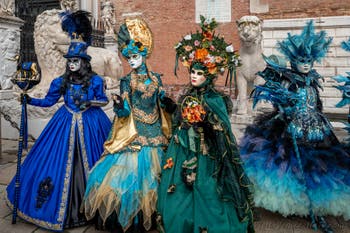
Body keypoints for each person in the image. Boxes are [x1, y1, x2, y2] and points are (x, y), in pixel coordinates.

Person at [239, 21, 350, 233]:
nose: (306, 64)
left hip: (317, 130)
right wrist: (285, 111)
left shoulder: (314, 80)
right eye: (301, 60)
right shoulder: (288, 80)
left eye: (309, 60)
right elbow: (279, 101)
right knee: (296, 169)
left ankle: (317, 210)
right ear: (293, 61)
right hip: (292, 130)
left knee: (320, 169)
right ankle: (306, 209)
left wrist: (320, 117)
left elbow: (316, 104)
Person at [157, 16, 255, 233]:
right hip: (183, 148)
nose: (194, 76)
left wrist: (207, 123)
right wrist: (173, 108)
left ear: (208, 75)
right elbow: (180, 120)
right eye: (192, 71)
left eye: (199, 73)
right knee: (180, 189)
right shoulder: (187, 95)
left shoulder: (215, 100)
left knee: (207, 189)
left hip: (206, 154)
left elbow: (223, 130)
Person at [5, 39, 111, 231]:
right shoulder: (61, 81)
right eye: (69, 61)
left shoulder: (96, 81)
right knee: (54, 163)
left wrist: (92, 103)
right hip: (64, 123)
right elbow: (48, 101)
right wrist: (28, 100)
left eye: (75, 61)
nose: (71, 64)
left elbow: (103, 101)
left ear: (84, 62)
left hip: (92, 124)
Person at [82, 18, 174, 233]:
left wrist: (168, 104)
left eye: (135, 57)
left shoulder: (157, 79)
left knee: (156, 177)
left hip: (154, 131)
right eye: (129, 57)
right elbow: (124, 111)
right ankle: (129, 217)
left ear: (144, 56)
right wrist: (118, 106)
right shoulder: (126, 81)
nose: (131, 61)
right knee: (125, 176)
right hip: (133, 132)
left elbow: (162, 105)